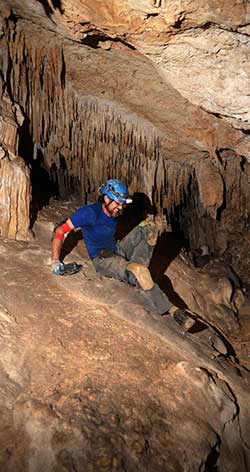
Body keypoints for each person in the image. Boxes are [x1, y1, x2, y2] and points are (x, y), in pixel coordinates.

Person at [51, 179, 190, 320]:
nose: (120, 207)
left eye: (123, 204)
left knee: (150, 227)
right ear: (106, 198)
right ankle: (171, 310)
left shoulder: (115, 212)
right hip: (103, 260)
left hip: (117, 250)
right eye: (118, 203)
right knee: (138, 271)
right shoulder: (89, 213)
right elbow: (60, 230)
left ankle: (137, 275)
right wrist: (55, 261)